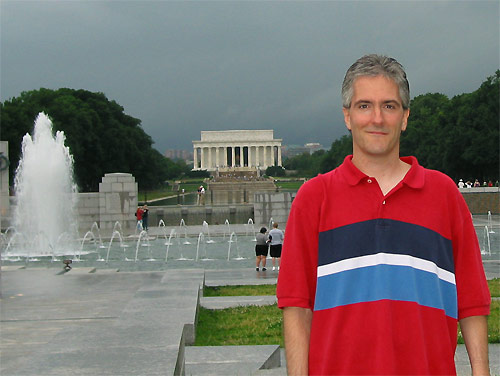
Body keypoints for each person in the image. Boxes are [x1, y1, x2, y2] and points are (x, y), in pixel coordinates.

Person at [277, 54, 491, 375]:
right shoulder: (314, 198)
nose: (377, 118)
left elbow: (472, 301)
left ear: (404, 117)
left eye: (389, 106)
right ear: (347, 116)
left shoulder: (444, 194)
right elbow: (297, 306)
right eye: (364, 105)